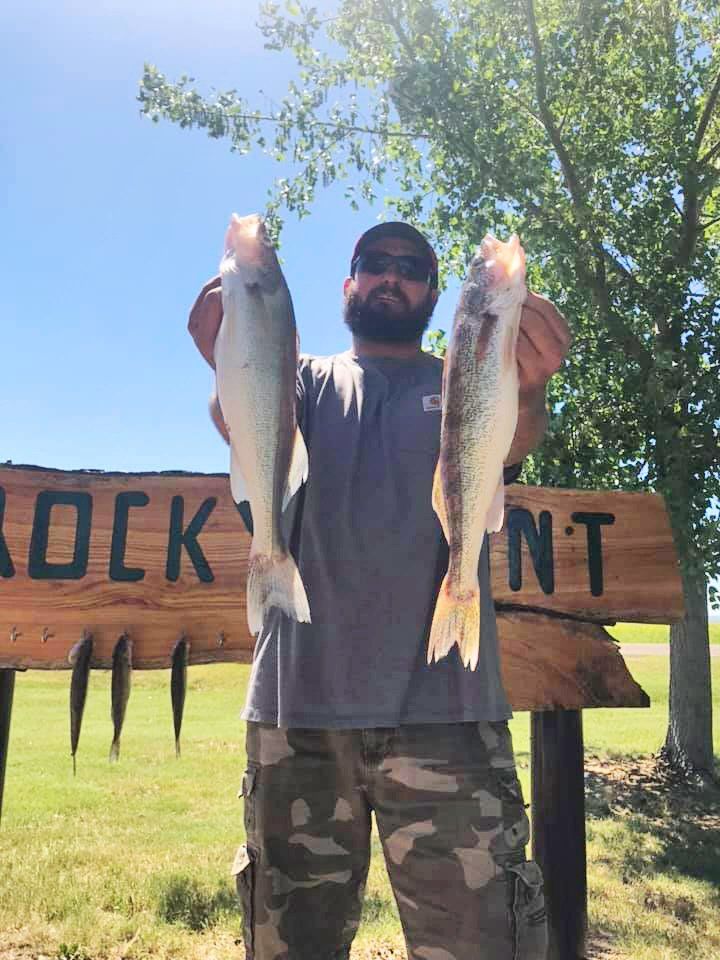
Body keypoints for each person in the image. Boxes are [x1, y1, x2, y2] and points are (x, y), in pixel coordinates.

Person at [189, 222, 570, 960]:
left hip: (451, 718)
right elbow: (238, 419)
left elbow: (514, 439)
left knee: (484, 945)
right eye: (374, 264)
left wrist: (532, 387)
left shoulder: (464, 376)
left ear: (433, 296)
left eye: (413, 268)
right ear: (348, 284)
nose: (392, 277)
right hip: (296, 717)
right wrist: (225, 361)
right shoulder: (302, 377)